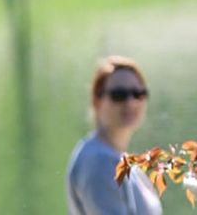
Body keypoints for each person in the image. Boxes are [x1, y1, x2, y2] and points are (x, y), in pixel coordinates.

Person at [66, 56, 162, 215]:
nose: (131, 102)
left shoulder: (121, 159)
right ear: (97, 101)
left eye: (138, 93)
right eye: (119, 95)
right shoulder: (98, 161)